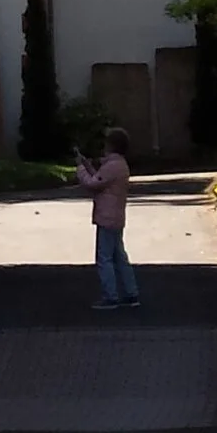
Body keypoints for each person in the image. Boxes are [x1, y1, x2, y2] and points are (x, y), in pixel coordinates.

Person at [77, 127, 140, 311]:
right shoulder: (118, 165)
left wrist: (80, 168)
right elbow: (100, 177)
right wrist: (89, 166)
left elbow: (92, 183)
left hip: (107, 217)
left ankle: (110, 296)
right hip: (116, 216)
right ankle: (131, 293)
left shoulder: (113, 166)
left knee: (104, 257)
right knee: (119, 256)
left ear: (111, 145)